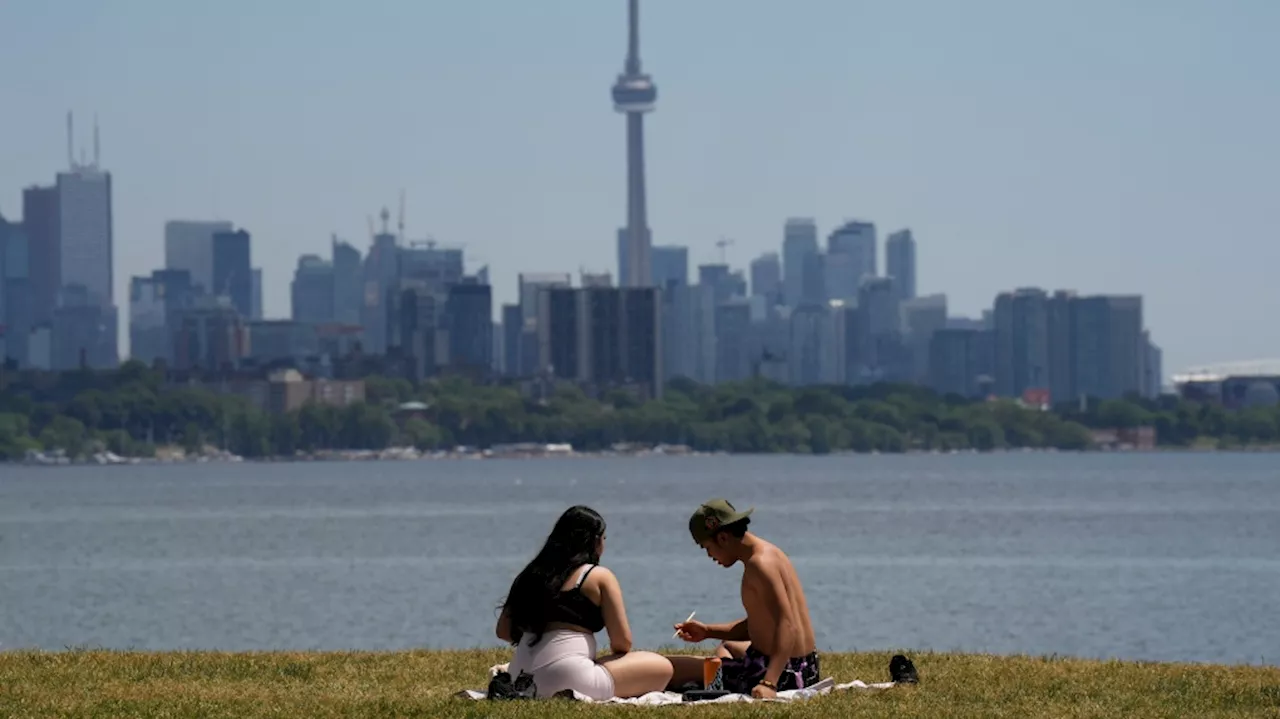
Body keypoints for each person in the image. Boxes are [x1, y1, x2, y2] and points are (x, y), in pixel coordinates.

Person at [495, 505, 672, 700]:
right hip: (569, 676)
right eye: (604, 539)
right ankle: (567, 690)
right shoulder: (597, 576)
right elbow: (622, 643)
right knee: (662, 666)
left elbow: (503, 632)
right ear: (595, 541)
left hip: (519, 676)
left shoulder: (530, 575)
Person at [665, 499, 820, 699]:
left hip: (783, 674)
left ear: (722, 538)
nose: (710, 556)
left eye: (706, 548)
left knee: (673, 667)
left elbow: (787, 625)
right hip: (807, 668)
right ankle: (725, 675)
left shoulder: (759, 565)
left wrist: (768, 684)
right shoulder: (770, 552)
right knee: (726, 646)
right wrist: (706, 631)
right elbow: (763, 623)